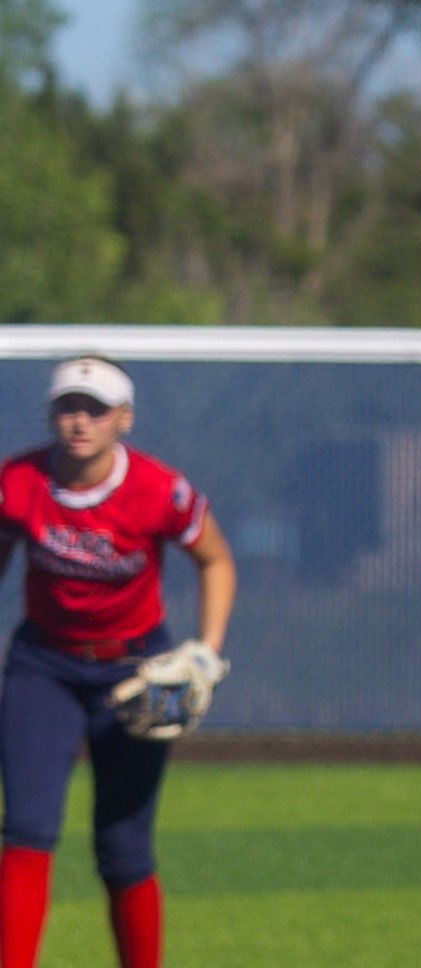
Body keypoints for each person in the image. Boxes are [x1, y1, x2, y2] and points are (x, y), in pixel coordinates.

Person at [0, 357, 237, 968]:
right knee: (25, 831)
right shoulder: (19, 480)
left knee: (123, 847)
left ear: (124, 419)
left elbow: (216, 560)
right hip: (44, 665)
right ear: (52, 414)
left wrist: (207, 653)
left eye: (96, 409)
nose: (80, 421)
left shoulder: (160, 490)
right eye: (68, 407)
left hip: (132, 671)